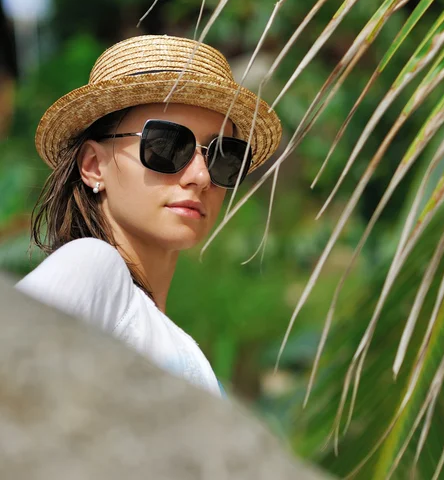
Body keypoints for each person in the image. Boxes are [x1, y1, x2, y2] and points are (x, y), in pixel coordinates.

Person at [15, 35, 282, 396]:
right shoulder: (91, 265)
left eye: (223, 155)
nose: (201, 177)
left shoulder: (163, 338)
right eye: (169, 145)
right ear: (94, 166)